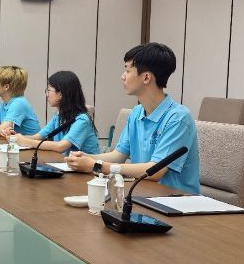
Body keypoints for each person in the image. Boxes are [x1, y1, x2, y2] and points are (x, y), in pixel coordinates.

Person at [66, 43, 200, 194]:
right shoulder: (136, 113)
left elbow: (155, 171)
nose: (122, 76)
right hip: (142, 193)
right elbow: (118, 155)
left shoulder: (178, 118)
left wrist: (97, 165)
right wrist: (87, 157)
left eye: (128, 70)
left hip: (174, 199)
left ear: (146, 77)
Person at [12, 71, 100, 155]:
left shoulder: (82, 120)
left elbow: (61, 146)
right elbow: (37, 137)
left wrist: (26, 141)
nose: (47, 95)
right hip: (64, 162)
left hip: (86, 165)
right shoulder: (59, 116)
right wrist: (14, 137)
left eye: (49, 90)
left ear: (61, 94)